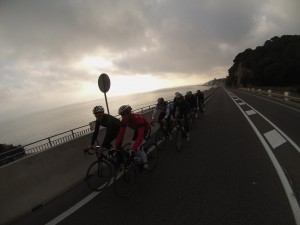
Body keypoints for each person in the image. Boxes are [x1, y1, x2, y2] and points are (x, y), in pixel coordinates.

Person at [115, 105, 151, 172]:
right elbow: (120, 134)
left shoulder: (138, 118)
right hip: (137, 130)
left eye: (123, 115)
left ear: (129, 113)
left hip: (145, 130)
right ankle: (141, 155)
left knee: (139, 148)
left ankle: (146, 166)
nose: (122, 117)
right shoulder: (123, 120)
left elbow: (140, 136)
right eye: (121, 115)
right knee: (133, 146)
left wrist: (133, 150)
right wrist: (116, 146)